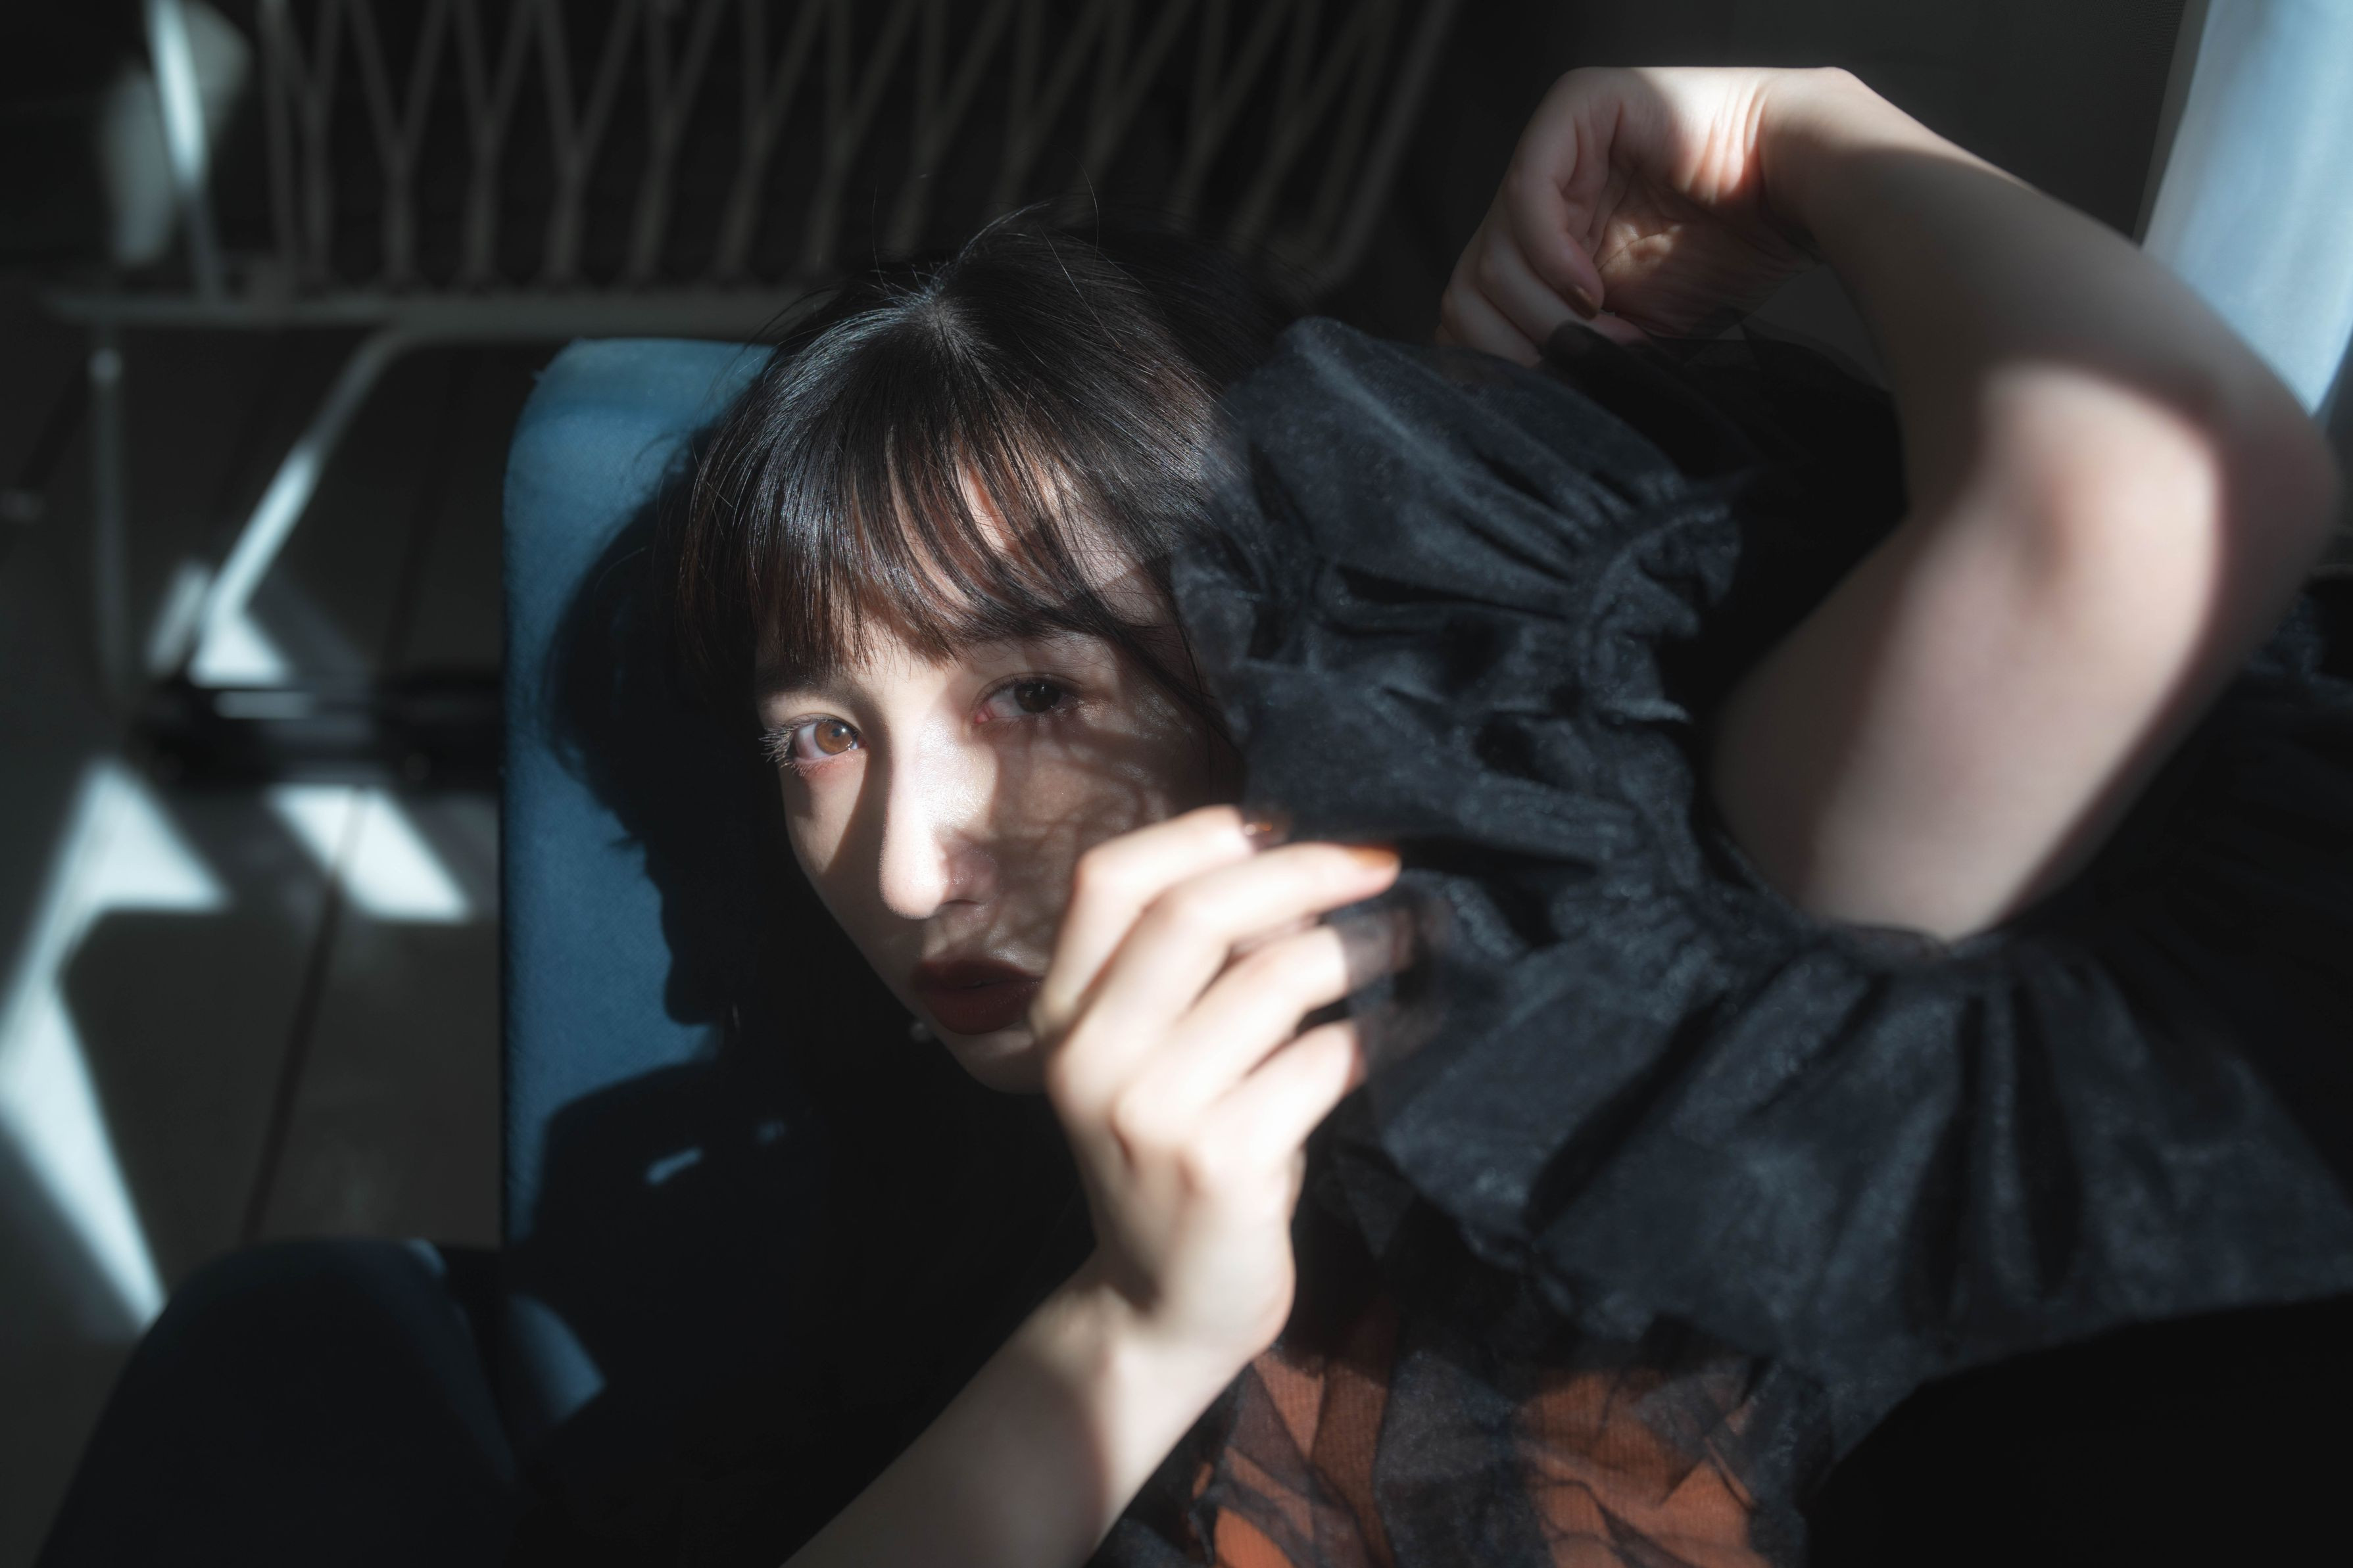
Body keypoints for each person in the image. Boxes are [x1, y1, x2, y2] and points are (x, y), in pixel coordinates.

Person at [656, 63, 2353, 1568]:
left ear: (1275, 645)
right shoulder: (918, 1185)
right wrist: (1142, 1325)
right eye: (822, 737)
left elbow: (2158, 502)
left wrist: (1794, 134)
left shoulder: (1622, 991)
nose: (907, 869)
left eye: (1036, 695)